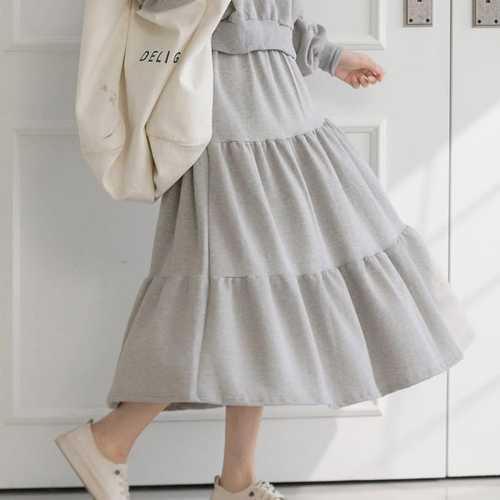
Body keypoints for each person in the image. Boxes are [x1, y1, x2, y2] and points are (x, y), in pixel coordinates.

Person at [54, 1, 476, 499]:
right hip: (228, 112)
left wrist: (330, 56)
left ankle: (236, 479)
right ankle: (110, 440)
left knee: (256, 302)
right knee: (230, 300)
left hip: (279, 107)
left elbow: (274, 17)